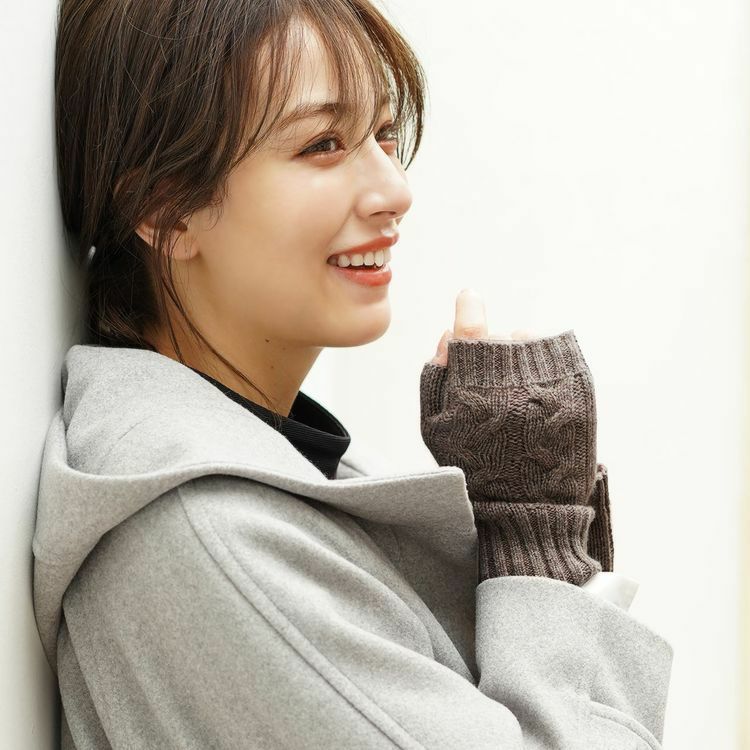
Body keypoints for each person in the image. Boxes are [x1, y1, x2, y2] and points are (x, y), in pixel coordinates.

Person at [33, 0, 673, 747]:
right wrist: (533, 528)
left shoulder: (267, 468)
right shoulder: (213, 538)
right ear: (165, 206)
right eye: (323, 144)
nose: (394, 190)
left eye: (384, 133)